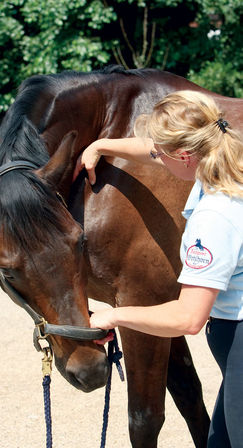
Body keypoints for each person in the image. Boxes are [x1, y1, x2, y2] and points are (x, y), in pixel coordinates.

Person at [73, 90, 243, 448]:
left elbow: (187, 319)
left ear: (184, 155)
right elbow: (150, 149)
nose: (155, 157)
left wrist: (114, 317)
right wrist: (103, 145)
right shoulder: (225, 160)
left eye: (162, 153)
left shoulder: (214, 216)